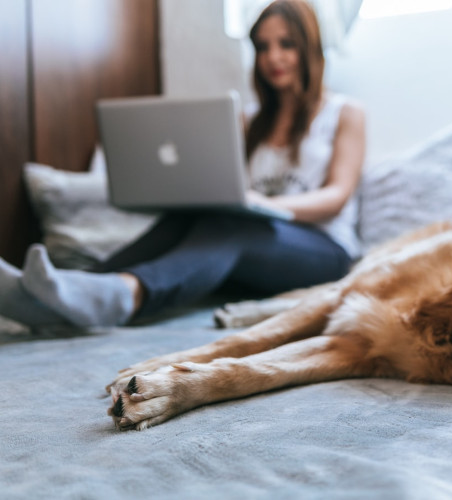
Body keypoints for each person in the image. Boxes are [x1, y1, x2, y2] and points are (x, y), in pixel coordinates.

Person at [0, 0, 365, 329]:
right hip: (253, 244)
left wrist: (265, 205)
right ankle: (64, 291)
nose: (273, 57)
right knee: (198, 218)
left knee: (232, 226)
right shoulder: (247, 121)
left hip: (323, 251)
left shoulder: (344, 113)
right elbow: (225, 184)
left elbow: (336, 195)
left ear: (309, 47)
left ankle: (125, 295)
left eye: (286, 44)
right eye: (263, 47)